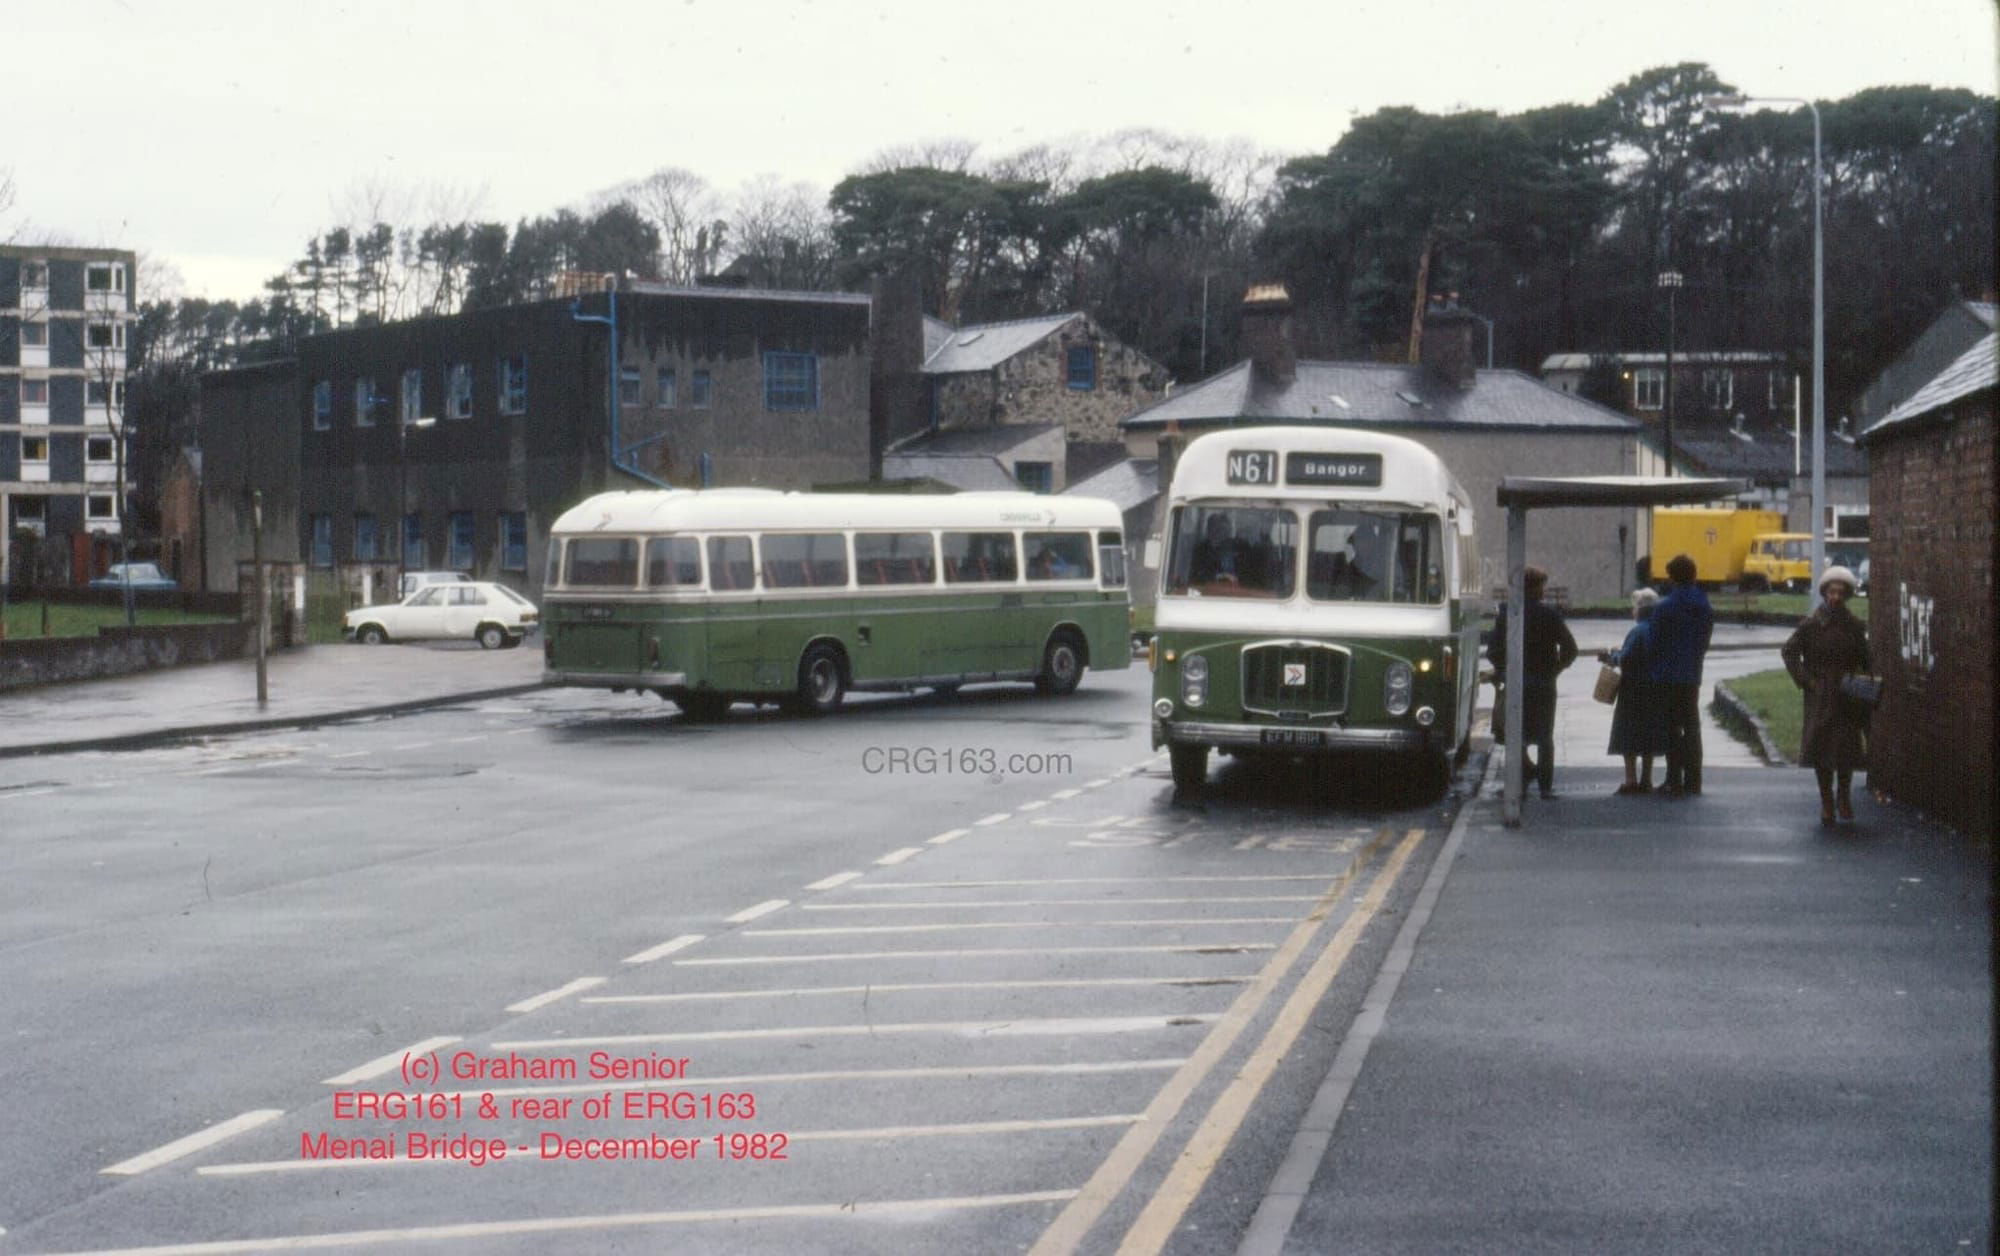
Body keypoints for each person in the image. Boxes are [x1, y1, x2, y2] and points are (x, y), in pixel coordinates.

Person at [1780, 565, 1871, 825]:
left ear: (1847, 595)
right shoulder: (1811, 625)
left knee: (1846, 749)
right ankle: (1826, 801)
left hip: (1847, 694)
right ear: (1824, 593)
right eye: (1832, 591)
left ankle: (1843, 796)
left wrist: (1863, 679)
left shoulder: (1854, 625)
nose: (1836, 597)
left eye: (1841, 592)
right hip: (1820, 694)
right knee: (1822, 748)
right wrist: (1806, 681)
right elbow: (1789, 651)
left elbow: (1865, 658)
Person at [1487, 565, 1579, 799]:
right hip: (1544, 684)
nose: (1543, 591)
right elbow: (1571, 649)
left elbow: (1493, 650)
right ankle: (1545, 787)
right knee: (1544, 737)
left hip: (1516, 682)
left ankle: (1521, 779)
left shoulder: (1507, 613)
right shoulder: (1550, 615)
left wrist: (1503, 671)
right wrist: (1556, 669)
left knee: (1514, 734)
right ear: (1535, 588)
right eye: (1541, 587)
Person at [1648, 553, 1715, 797]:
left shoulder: (1665, 607)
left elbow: (1653, 642)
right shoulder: (1704, 604)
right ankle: (1694, 779)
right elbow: (1705, 639)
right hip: (1692, 671)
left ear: (1672, 577)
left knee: (1672, 728)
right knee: (1692, 725)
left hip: (1667, 674)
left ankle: (1673, 778)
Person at [1601, 587, 1666, 794]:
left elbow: (1626, 659)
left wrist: (1612, 657)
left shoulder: (1637, 631)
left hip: (1634, 688)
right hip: (1656, 688)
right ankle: (1647, 779)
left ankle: (1631, 780)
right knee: (1649, 733)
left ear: (1639, 610)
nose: (1632, 612)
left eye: (1634, 608)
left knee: (1628, 733)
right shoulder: (1661, 630)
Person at [1190, 514, 1242, 585]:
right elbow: (1196, 575)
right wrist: (1219, 577)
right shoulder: (1201, 550)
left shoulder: (1238, 548)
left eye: (1224, 529)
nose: (1220, 533)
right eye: (1216, 529)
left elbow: (1248, 573)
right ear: (1209, 530)